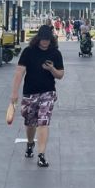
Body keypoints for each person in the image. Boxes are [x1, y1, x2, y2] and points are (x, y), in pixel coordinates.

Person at [11, 24, 65, 167]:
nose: (45, 41)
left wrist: (52, 69)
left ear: (51, 39)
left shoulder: (55, 53)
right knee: (30, 122)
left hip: (48, 92)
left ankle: (41, 155)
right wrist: (14, 92)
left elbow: (60, 75)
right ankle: (30, 144)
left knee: (43, 122)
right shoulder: (28, 52)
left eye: (47, 39)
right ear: (38, 38)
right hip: (30, 92)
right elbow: (19, 72)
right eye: (43, 39)